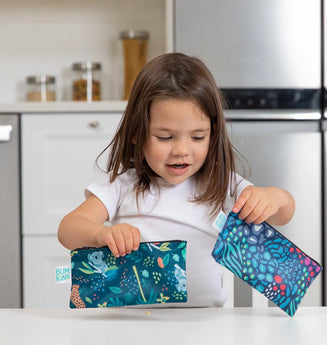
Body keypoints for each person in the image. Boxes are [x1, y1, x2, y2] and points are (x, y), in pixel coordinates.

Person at [58, 52, 295, 307]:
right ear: (137, 134)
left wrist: (274, 197)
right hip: (134, 328)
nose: (182, 150)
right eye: (165, 137)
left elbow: (283, 214)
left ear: (213, 134)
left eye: (197, 137)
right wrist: (101, 235)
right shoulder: (124, 186)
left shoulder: (220, 184)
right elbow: (68, 228)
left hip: (208, 327)